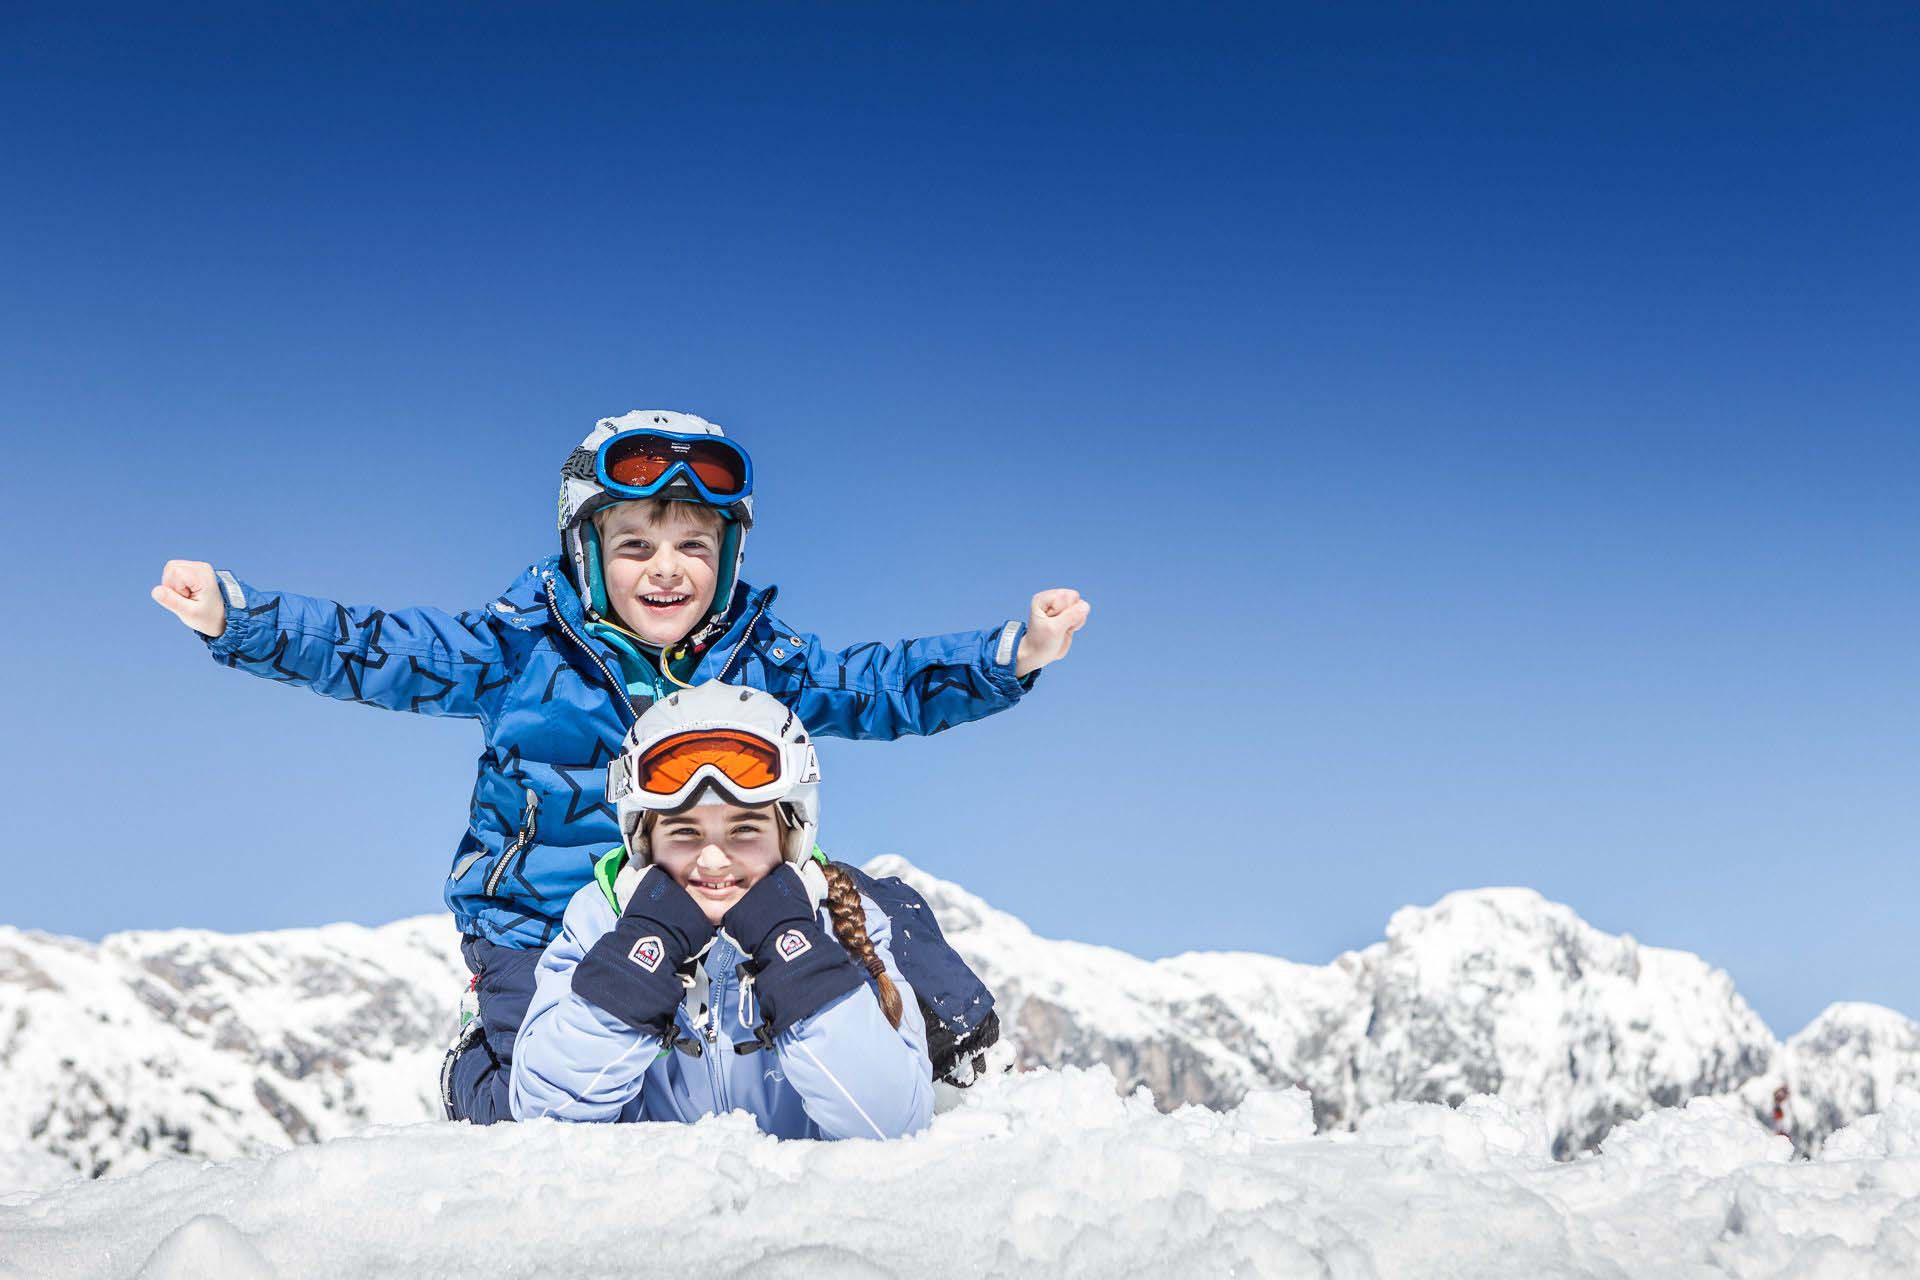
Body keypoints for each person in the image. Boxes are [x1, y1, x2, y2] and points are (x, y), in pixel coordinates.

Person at [150, 410, 1089, 1122]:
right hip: (543, 920)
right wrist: (240, 617)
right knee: (553, 1109)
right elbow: (378, 649)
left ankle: (960, 1056)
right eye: (635, 544)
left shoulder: (764, 658)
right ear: (588, 554)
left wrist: (1009, 655)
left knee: (871, 902)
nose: (665, 568)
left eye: (694, 545)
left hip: (718, 896)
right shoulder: (518, 648)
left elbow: (878, 686)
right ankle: (479, 1070)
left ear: (728, 558)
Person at [512, 682, 930, 1138]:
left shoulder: (842, 922)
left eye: (745, 828)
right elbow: (542, 1115)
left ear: (790, 835)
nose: (713, 860)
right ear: (644, 842)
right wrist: (634, 966)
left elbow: (894, 1127)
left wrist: (802, 965)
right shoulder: (599, 921)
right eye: (685, 832)